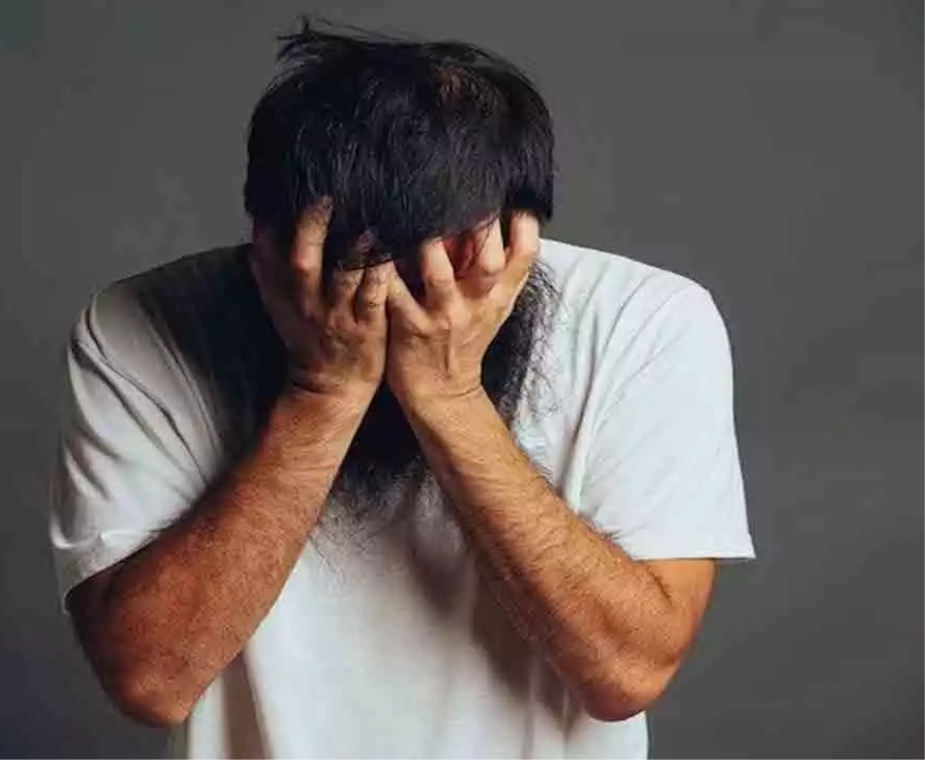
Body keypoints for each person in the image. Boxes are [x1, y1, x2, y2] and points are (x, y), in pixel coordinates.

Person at [47, 20, 755, 759]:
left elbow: (626, 672)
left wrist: (449, 400)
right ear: (264, 238)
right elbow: (151, 681)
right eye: (339, 263)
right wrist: (320, 394)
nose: (376, 298)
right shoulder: (137, 325)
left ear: (515, 234)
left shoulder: (645, 322)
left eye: (426, 266)